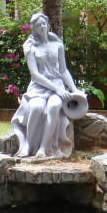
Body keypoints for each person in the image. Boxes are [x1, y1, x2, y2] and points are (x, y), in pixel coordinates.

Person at [11, 13, 86, 158]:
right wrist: (57, 89)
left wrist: (74, 89)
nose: (42, 27)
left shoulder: (57, 45)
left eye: (44, 24)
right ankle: (28, 145)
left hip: (57, 85)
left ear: (48, 25)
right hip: (39, 87)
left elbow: (63, 70)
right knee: (36, 107)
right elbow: (35, 75)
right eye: (38, 25)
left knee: (54, 107)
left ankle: (43, 148)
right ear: (34, 28)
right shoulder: (30, 47)